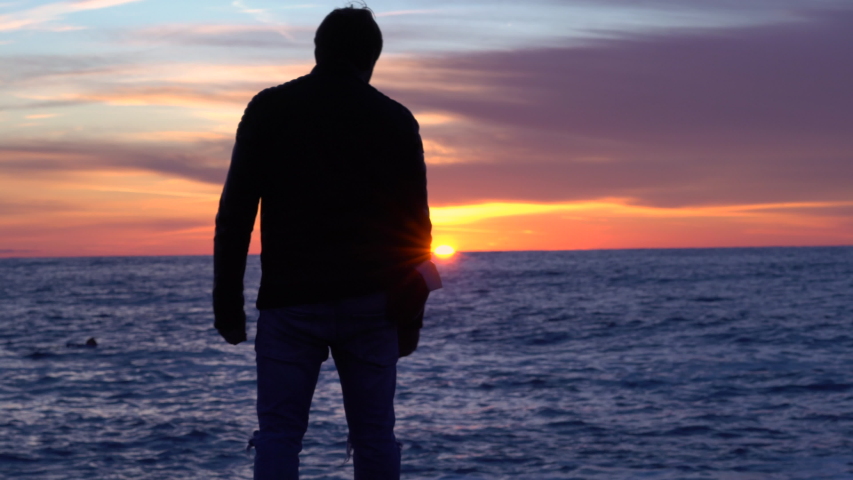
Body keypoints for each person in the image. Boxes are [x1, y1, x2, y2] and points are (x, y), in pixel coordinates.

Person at [212, 6, 439, 480]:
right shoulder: (396, 120)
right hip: (372, 304)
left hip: (289, 303)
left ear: (317, 50)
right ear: (372, 58)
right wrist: (411, 318)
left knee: (278, 434)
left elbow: (235, 214)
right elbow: (417, 230)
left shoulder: (268, 109)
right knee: (375, 435)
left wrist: (227, 304)